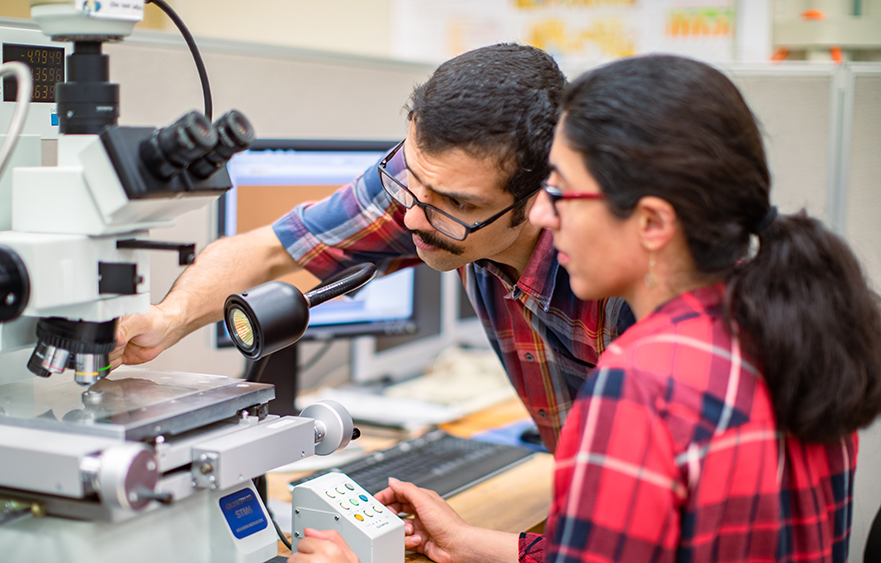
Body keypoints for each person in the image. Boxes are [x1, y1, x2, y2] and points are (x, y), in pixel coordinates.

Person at [289, 55, 881, 563]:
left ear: (651, 222)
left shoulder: (638, 384)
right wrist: (474, 543)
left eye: (563, 192)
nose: (544, 216)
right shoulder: (793, 330)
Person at [112, 43, 634, 453]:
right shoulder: (423, 190)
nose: (410, 217)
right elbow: (273, 251)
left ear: (541, 195)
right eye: (411, 178)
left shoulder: (619, 281)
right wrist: (168, 320)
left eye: (454, 203)